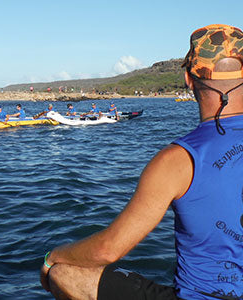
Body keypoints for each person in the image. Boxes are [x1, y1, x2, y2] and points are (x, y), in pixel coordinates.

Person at [40, 24, 243, 300]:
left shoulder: (177, 159)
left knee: (63, 273)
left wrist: (52, 258)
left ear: (188, 79)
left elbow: (108, 249)